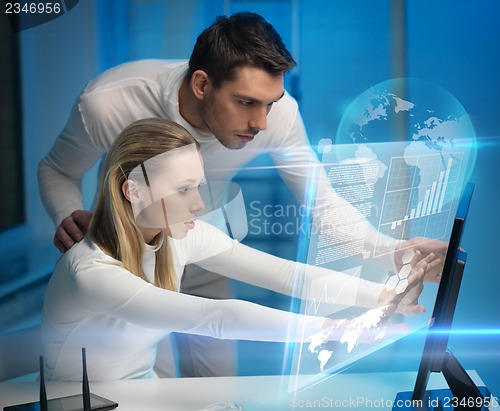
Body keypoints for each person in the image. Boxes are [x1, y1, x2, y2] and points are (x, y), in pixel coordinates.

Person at [37, 12, 446, 377]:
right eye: (246, 102)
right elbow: (56, 168)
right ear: (201, 84)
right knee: (135, 368)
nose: (262, 123)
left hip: (191, 240)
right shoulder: (108, 104)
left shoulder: (273, 120)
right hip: (124, 253)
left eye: (271, 103)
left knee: (215, 383)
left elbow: (316, 218)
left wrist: (392, 261)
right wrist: (66, 213)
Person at [41, 118, 439, 381]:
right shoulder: (91, 272)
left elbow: (287, 275)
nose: (198, 204)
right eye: (183, 190)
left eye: (198, 186)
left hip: (143, 394)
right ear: (134, 190)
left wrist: (384, 296)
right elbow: (216, 317)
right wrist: (334, 330)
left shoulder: (177, 237)